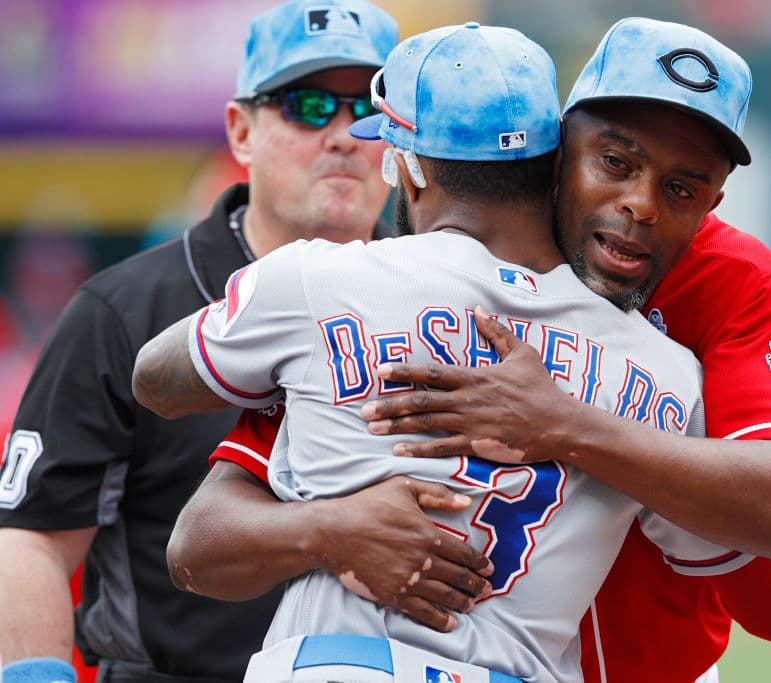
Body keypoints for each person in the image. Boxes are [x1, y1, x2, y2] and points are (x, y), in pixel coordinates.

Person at [161, 17, 771, 683]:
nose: (640, 204)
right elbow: (208, 526)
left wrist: (567, 426)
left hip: (646, 660)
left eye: (682, 188)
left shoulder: (732, 281)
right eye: (616, 163)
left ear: (713, 200)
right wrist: (330, 526)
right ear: (557, 149)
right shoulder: (389, 279)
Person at [0, 2, 493, 681]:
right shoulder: (125, 307)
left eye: (369, 110)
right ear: (241, 130)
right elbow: (33, 539)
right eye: (309, 105)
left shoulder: (447, 300)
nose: (345, 135)